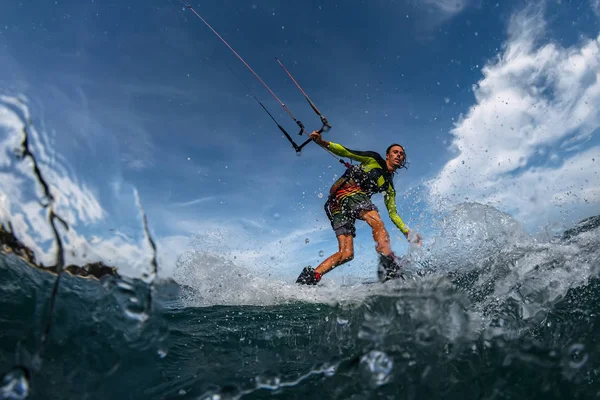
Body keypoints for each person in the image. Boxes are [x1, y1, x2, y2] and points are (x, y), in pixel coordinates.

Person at [296, 131, 422, 285]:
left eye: (402, 154)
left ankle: (309, 278)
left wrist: (407, 232)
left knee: (347, 253)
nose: (399, 155)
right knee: (376, 221)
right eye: (395, 152)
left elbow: (393, 213)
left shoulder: (389, 187)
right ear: (387, 155)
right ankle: (388, 263)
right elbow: (346, 151)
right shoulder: (373, 158)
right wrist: (322, 142)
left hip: (336, 203)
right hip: (347, 191)